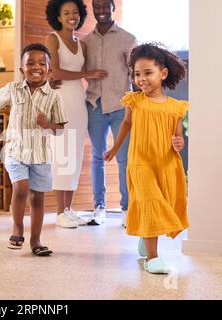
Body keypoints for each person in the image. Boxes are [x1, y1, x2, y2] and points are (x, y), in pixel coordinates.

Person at [104, 42, 189, 274]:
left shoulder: (175, 107)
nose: (141, 79)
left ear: (162, 74)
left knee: (163, 203)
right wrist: (114, 148)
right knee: (150, 202)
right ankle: (153, 257)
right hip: (140, 162)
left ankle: (146, 235)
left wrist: (178, 143)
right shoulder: (135, 101)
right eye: (137, 74)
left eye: (147, 73)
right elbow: (127, 123)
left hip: (164, 163)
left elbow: (177, 137)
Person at [0, 43, 68, 256]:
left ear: (49, 71)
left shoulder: (54, 97)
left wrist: (48, 125)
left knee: (37, 198)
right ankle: (17, 229)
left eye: (42, 63)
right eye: (30, 63)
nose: (36, 67)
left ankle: (36, 240)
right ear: (22, 69)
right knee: (21, 188)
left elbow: (60, 129)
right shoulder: (13, 89)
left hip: (40, 155)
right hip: (16, 152)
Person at [45, 0, 108, 229]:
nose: (71, 16)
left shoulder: (82, 44)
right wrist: (87, 73)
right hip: (59, 101)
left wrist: (79, 74)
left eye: (75, 12)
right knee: (60, 155)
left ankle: (69, 210)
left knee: (74, 156)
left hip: (78, 103)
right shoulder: (52, 39)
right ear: (58, 17)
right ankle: (59, 211)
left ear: (80, 15)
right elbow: (54, 72)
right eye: (66, 13)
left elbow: (65, 73)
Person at [82, 0, 136, 226]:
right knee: (97, 158)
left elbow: (134, 74)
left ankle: (126, 209)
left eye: (106, 6)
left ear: (113, 7)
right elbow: (78, 70)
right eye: (97, 6)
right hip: (94, 105)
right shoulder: (84, 42)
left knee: (123, 159)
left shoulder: (128, 38)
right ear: (93, 8)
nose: (102, 11)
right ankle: (99, 207)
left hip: (120, 107)